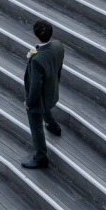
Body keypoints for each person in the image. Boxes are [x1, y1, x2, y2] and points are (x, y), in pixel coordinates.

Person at [22, 20, 64, 169]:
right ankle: (53, 126)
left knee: (36, 126)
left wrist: (29, 102)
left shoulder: (37, 60)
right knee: (45, 107)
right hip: (51, 90)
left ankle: (41, 156)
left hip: (39, 97)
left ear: (35, 35)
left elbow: (35, 86)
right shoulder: (59, 46)